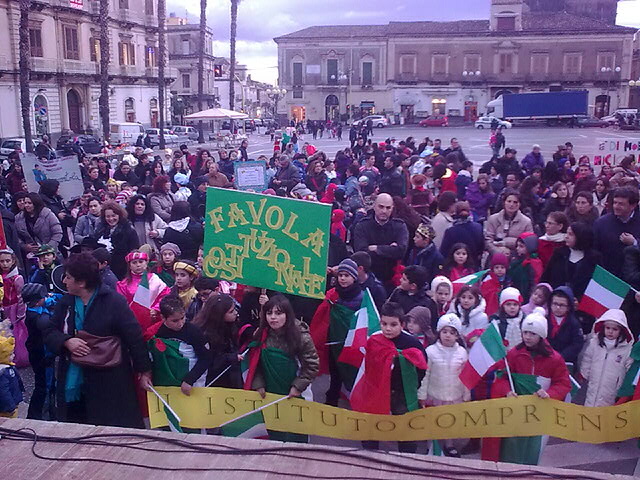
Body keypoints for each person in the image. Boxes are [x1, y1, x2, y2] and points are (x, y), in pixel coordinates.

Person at [40, 252, 152, 428]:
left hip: (110, 382)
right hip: (74, 380)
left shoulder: (114, 302)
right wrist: (66, 341)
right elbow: (49, 331)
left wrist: (144, 371)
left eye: (68, 277)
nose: (64, 281)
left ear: (82, 282)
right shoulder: (66, 302)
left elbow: (134, 338)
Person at [483, 308, 570, 465]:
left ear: (541, 336)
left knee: (533, 449)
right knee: (511, 446)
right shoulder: (514, 354)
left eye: (532, 334)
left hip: (540, 412)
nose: (527, 337)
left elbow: (563, 383)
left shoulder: (555, 359)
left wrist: (550, 393)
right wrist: (507, 391)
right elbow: (502, 376)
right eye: (525, 333)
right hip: (515, 410)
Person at [351, 301, 427, 454]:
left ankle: (406, 456)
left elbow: (422, 368)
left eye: (393, 324)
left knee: (405, 429)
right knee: (373, 424)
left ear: (402, 324)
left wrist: (414, 389)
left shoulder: (412, 344)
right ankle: (371, 453)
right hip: (377, 389)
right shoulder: (374, 340)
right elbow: (369, 366)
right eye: (384, 324)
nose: (388, 328)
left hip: (402, 393)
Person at [245, 295, 319, 442]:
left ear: (288, 315)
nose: (273, 318)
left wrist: (298, 387)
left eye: (278, 313)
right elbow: (255, 362)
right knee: (273, 431)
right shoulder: (262, 335)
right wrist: (258, 384)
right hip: (270, 393)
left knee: (296, 432)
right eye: (269, 313)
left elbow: (312, 365)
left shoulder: (301, 337)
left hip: (295, 393)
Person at [311, 259, 363, 406]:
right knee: (335, 374)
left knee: (348, 372)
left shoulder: (361, 298)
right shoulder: (333, 294)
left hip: (350, 343)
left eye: (347, 275)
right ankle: (332, 399)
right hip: (334, 340)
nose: (343, 279)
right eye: (340, 275)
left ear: (354, 277)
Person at [418, 314, 469, 457]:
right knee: (433, 420)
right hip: (435, 394)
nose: (448, 336)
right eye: (444, 332)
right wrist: (422, 395)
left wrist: (466, 394)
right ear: (439, 332)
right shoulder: (430, 352)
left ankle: (449, 444)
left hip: (454, 395)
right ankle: (431, 444)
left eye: (452, 333)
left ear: (457, 336)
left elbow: (466, 376)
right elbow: (425, 375)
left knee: (449, 421)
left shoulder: (462, 353)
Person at [146, 295, 211, 395]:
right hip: (166, 382)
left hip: (190, 382)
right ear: (163, 317)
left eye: (182, 318)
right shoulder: (157, 333)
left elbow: (206, 358)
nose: (180, 323)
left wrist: (189, 380)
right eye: (175, 321)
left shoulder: (194, 332)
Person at [352, 193, 409, 291]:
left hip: (391, 279)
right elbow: (361, 253)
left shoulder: (399, 226)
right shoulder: (362, 226)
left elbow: (401, 251)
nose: (384, 211)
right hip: (368, 280)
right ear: (374, 206)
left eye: (388, 208)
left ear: (392, 208)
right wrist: (390, 249)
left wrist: (376, 248)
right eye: (381, 207)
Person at [580, 309, 634, 407]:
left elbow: (629, 367)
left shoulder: (626, 349)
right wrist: (585, 373)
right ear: (603, 328)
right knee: (590, 403)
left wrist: (622, 385)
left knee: (605, 410)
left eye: (615, 329)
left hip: (612, 387)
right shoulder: (595, 343)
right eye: (608, 328)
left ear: (621, 330)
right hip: (593, 381)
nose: (610, 331)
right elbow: (587, 358)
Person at [21, 283, 56, 420]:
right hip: (42, 357)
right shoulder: (36, 318)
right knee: (44, 387)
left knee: (49, 384)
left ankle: (50, 413)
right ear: (36, 302)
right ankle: (38, 417)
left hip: (42, 355)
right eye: (43, 297)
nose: (46, 298)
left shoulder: (34, 310)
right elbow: (49, 321)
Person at [541, 222, 601, 301]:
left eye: (571, 234)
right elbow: (546, 276)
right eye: (567, 233)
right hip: (555, 300)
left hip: (581, 305)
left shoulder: (594, 258)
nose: (566, 236)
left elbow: (597, 286)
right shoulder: (559, 253)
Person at [194, 293, 243, 388]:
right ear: (219, 314)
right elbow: (209, 361)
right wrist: (230, 358)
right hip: (213, 381)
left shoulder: (230, 325)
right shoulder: (204, 334)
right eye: (231, 311)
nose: (236, 313)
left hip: (229, 376)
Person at [116, 251, 171, 332]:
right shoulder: (123, 285)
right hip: (133, 322)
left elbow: (166, 296)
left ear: (146, 263)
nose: (138, 265)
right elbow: (121, 304)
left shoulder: (155, 279)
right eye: (134, 262)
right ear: (129, 266)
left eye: (141, 262)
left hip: (154, 321)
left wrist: (156, 309)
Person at [593, 187, 640, 278]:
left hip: (635, 281)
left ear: (633, 206)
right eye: (615, 203)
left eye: (621, 204)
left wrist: (634, 243)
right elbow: (594, 250)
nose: (616, 206)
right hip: (608, 277)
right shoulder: (601, 223)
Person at [92, 201, 140, 280]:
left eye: (114, 216)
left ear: (119, 215)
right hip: (101, 271)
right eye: (108, 216)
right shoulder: (99, 230)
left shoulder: (129, 230)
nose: (111, 219)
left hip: (122, 270)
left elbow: (134, 250)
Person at [484, 190, 533, 258]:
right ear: (504, 202)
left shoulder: (526, 221)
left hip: (517, 257)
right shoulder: (493, 219)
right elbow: (488, 241)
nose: (511, 204)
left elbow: (528, 243)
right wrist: (499, 252)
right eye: (509, 201)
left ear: (519, 204)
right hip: (495, 257)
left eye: (515, 202)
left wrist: (508, 242)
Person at [0, 248, 27, 367]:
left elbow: (21, 297)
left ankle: (18, 358)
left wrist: (21, 314)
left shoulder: (17, 278)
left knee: (16, 333)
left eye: (7, 261)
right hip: (3, 308)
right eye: (1, 261)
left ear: (13, 261)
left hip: (14, 309)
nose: (4, 264)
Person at [508, 232, 543, 303]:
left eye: (521, 246)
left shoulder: (534, 263)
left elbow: (534, 282)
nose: (517, 248)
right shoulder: (516, 260)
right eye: (517, 246)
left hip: (526, 296)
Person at [406, 223, 443, 288]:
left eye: (417, 237)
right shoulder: (413, 251)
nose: (414, 239)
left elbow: (434, 276)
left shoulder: (437, 257)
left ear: (426, 240)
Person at [480, 252, 511, 317]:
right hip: (491, 309)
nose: (499, 270)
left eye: (502, 267)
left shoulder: (508, 280)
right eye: (497, 267)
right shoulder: (488, 280)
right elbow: (485, 295)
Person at [0, 336, 23, 418]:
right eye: (10, 354)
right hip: (7, 409)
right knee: (9, 425)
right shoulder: (3, 372)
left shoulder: (8, 367)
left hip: (12, 404)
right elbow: (3, 392)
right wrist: (10, 407)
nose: (13, 355)